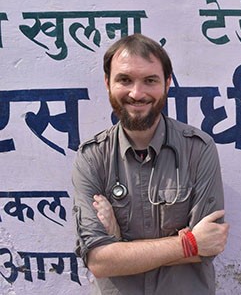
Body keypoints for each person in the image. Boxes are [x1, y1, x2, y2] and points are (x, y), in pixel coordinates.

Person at [72, 33, 229, 294]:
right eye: (125, 80)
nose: (137, 93)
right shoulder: (92, 157)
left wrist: (119, 243)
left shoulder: (198, 150)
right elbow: (99, 260)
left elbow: (209, 246)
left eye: (150, 80)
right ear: (107, 83)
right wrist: (190, 243)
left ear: (167, 83)